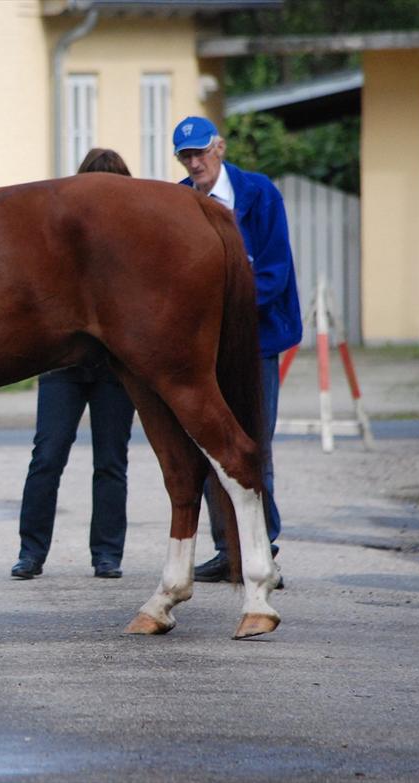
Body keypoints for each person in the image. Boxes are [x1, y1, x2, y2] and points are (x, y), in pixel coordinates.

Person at [171, 115, 301, 586]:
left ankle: (264, 550)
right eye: (185, 155)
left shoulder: (258, 193)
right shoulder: (181, 200)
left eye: (201, 152)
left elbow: (273, 271)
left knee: (254, 444)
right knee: (210, 444)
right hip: (208, 344)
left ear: (219, 148)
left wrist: (225, 313)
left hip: (258, 336)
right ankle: (228, 550)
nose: (194, 161)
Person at [10, 149, 138, 581]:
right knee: (47, 456)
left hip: (113, 366)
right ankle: (31, 552)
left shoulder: (134, 245)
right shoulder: (59, 240)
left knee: (110, 461)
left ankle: (106, 555)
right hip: (64, 363)